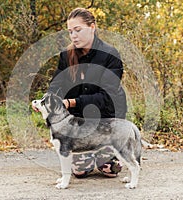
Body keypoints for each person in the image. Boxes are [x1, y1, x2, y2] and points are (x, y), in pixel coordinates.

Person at [33, 7, 127, 178]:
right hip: (80, 122)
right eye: (70, 31)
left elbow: (107, 98)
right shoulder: (65, 55)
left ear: (92, 27)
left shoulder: (110, 54)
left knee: (109, 169)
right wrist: (46, 100)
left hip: (107, 119)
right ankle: (88, 155)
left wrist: (71, 102)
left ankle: (112, 151)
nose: (73, 35)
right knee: (80, 171)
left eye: (78, 30)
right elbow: (56, 84)